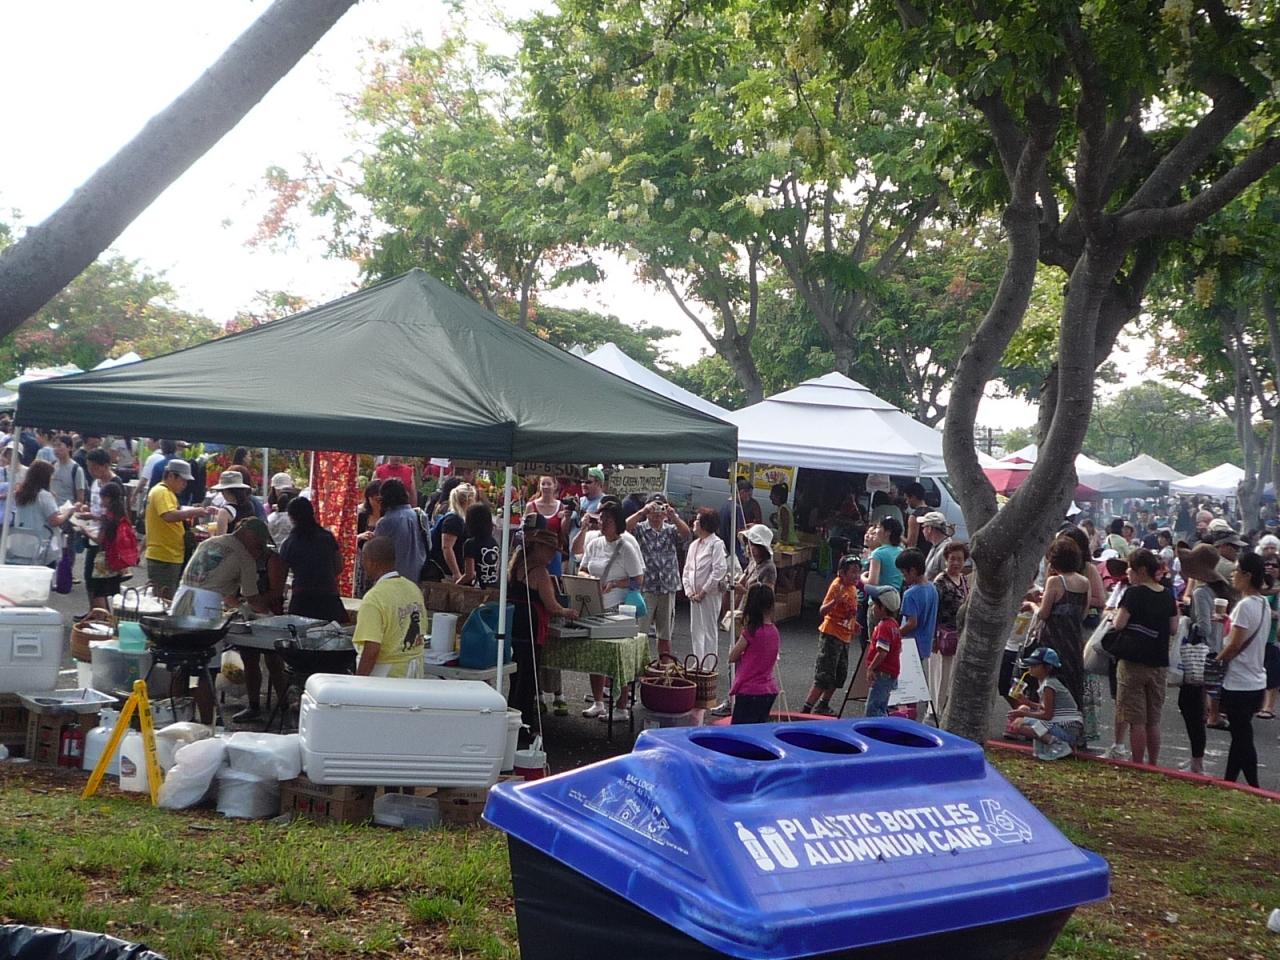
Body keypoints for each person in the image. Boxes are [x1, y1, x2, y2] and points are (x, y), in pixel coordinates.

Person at [180, 519, 276, 722]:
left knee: (182, 664)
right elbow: (254, 600)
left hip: (181, 600)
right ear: (250, 536)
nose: (258, 551)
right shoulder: (244, 557)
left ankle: (179, 717)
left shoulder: (209, 542)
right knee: (206, 670)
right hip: (206, 611)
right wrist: (269, 616)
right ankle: (207, 723)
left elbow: (221, 589)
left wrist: (239, 606)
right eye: (259, 545)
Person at [1110, 548, 1180, 766]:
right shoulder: (1167, 594)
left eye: (1130, 569)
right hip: (1158, 662)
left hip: (1133, 660)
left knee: (1135, 719)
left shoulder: (1134, 593)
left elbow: (1119, 624)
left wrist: (1112, 617)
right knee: (1153, 719)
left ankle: (1137, 763)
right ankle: (1153, 763)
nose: (1128, 573)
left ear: (1141, 570)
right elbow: (1174, 627)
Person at [508, 529, 579, 740]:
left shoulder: (517, 566)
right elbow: (552, 606)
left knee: (516, 678)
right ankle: (524, 728)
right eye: (549, 549)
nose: (552, 555)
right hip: (531, 626)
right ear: (537, 548)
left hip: (515, 625)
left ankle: (511, 722)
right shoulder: (540, 572)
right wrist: (569, 612)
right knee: (528, 681)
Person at [581, 501, 645, 721]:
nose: (602, 523)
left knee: (618, 659)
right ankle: (598, 702)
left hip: (617, 609)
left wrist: (615, 583)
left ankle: (621, 706)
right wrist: (589, 579)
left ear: (617, 522)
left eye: (607, 520)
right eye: (601, 519)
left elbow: (638, 579)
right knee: (595, 656)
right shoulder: (594, 543)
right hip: (595, 606)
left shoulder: (626, 547)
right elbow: (582, 569)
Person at [1216, 552, 1270, 787]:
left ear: (1247, 575)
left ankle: (1254, 787)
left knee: (1242, 737)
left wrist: (1217, 660)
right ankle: (1229, 781)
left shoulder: (1245, 606)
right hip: (1256, 680)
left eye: (1236, 571)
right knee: (1240, 737)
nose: (1232, 575)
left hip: (1239, 681)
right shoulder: (1263, 603)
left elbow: (1235, 645)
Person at [1176, 543, 1231, 772]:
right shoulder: (1219, 592)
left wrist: (1187, 621)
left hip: (1200, 655)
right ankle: (1196, 759)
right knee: (1198, 707)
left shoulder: (1200, 593)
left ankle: (1196, 761)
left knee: (1190, 706)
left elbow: (1204, 628)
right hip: (1216, 652)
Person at [1031, 536, 1090, 742]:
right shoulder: (1084, 582)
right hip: (1074, 641)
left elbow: (1044, 613)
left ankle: (1049, 729)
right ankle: (1075, 731)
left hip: (1053, 641)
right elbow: (1084, 613)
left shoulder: (1055, 581)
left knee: (1050, 685)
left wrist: (1032, 606)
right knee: (1072, 685)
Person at [627, 493, 690, 659]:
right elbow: (624, 527)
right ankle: (638, 664)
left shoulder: (670, 530)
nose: (656, 513)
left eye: (660, 508)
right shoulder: (640, 529)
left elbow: (686, 533)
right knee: (640, 633)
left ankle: (664, 667)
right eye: (653, 508)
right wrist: (642, 511)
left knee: (665, 634)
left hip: (667, 586)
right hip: (646, 586)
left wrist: (674, 516)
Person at [352, 536, 426, 678]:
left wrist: (358, 681)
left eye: (363, 560)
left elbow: (372, 650)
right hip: (414, 673)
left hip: (387, 677)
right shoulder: (413, 588)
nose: (363, 565)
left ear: (371, 562)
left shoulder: (374, 598)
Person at [802, 555, 862, 715]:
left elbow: (849, 611)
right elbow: (822, 611)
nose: (857, 576)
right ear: (842, 573)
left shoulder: (853, 588)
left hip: (845, 636)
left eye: (858, 572)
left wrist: (854, 623)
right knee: (824, 675)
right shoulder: (837, 586)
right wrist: (835, 601)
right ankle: (806, 709)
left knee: (839, 674)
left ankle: (823, 704)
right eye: (853, 572)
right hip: (831, 634)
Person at [1007, 647, 1083, 761]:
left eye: (1035, 665)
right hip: (1060, 725)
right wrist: (1027, 703)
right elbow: (1046, 709)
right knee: (1023, 709)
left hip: (1067, 730)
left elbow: (1047, 715)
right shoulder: (1045, 682)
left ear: (1047, 667)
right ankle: (1049, 745)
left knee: (1019, 724)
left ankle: (1059, 744)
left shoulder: (1049, 685)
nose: (1030, 668)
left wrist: (1024, 715)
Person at [278, 496, 346, 623]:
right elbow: (339, 566)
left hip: (302, 599)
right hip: (329, 598)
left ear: (291, 517)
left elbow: (280, 576)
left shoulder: (289, 543)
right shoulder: (327, 537)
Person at [729, 584, 780, 724]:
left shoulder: (751, 631)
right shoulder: (774, 632)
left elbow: (732, 656)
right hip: (768, 689)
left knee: (739, 731)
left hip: (749, 689)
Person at [682, 507, 727, 664]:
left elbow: (719, 570)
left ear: (705, 524)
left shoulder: (716, 544)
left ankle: (709, 664)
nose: (694, 523)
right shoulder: (694, 545)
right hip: (694, 595)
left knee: (709, 629)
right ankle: (698, 661)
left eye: (697, 520)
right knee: (696, 629)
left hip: (709, 595)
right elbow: (687, 570)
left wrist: (703, 592)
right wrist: (689, 591)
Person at [9, 460, 76, 565]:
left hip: (22, 543)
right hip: (41, 544)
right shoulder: (44, 495)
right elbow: (54, 521)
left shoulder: (20, 494)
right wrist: (68, 511)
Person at [931, 541, 970, 718]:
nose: (955, 563)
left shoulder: (963, 580)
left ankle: (945, 710)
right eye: (952, 559)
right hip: (942, 635)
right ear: (946, 559)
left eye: (959, 559)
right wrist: (933, 637)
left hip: (958, 635)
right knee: (940, 676)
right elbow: (934, 610)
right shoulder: (940, 581)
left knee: (952, 677)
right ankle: (935, 712)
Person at [85, 481, 137, 608]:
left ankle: (103, 616)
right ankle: (113, 616)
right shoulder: (122, 515)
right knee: (113, 591)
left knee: (99, 592)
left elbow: (99, 540)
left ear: (108, 498)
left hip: (105, 557)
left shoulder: (107, 517)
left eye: (102, 498)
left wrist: (85, 531)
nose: (101, 501)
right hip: (117, 558)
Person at [372, 478, 428, 583]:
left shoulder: (385, 522)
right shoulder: (420, 515)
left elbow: (377, 551)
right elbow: (429, 545)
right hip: (420, 573)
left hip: (393, 577)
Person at [862, 586, 902, 718]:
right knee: (881, 706)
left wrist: (871, 668)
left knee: (873, 709)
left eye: (874, 605)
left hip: (882, 673)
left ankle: (874, 729)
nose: (872, 608)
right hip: (890, 674)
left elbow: (882, 652)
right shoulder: (894, 625)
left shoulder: (884, 626)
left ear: (883, 608)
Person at [425, 482, 476, 582]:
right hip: (444, 571)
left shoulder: (455, 518)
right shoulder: (454, 520)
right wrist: (456, 573)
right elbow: (447, 547)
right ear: (469, 500)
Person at [719, 477, 762, 566]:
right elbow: (740, 533)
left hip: (725, 550)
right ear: (742, 492)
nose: (749, 499)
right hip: (736, 553)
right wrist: (752, 529)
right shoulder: (737, 508)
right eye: (748, 495)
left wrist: (747, 526)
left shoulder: (724, 505)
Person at [460, 502, 500, 589]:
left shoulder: (470, 544)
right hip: (495, 587)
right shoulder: (493, 542)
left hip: (480, 590)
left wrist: (457, 584)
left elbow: (470, 574)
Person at [354, 479, 382, 598]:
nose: (378, 503)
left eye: (381, 500)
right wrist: (361, 536)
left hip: (380, 559)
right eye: (376, 499)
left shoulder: (387, 516)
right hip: (363, 559)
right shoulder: (362, 516)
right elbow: (352, 539)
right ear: (369, 498)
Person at [865, 515, 904, 595]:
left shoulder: (877, 553)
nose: (876, 531)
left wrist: (861, 577)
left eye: (878, 527)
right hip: (896, 597)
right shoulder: (901, 551)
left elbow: (872, 583)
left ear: (887, 533)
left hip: (879, 598)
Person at [211, 470, 257, 535]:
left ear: (226, 491)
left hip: (231, 541)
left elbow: (220, 537)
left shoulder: (224, 512)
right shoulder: (249, 505)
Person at [49, 435, 87, 506]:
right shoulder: (52, 466)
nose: (56, 449)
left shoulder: (76, 469)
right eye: (54, 446)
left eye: (59, 445)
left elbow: (80, 498)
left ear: (69, 448)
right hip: (51, 508)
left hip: (67, 509)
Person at [919, 511, 953, 581]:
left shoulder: (946, 550)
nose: (923, 530)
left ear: (929, 529)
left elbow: (947, 579)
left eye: (924, 527)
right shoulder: (935, 546)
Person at [902, 481, 931, 551]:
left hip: (919, 554)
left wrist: (898, 536)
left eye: (907, 499)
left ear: (913, 497)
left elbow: (911, 544)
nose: (906, 502)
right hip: (933, 553)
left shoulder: (914, 517)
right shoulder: (934, 513)